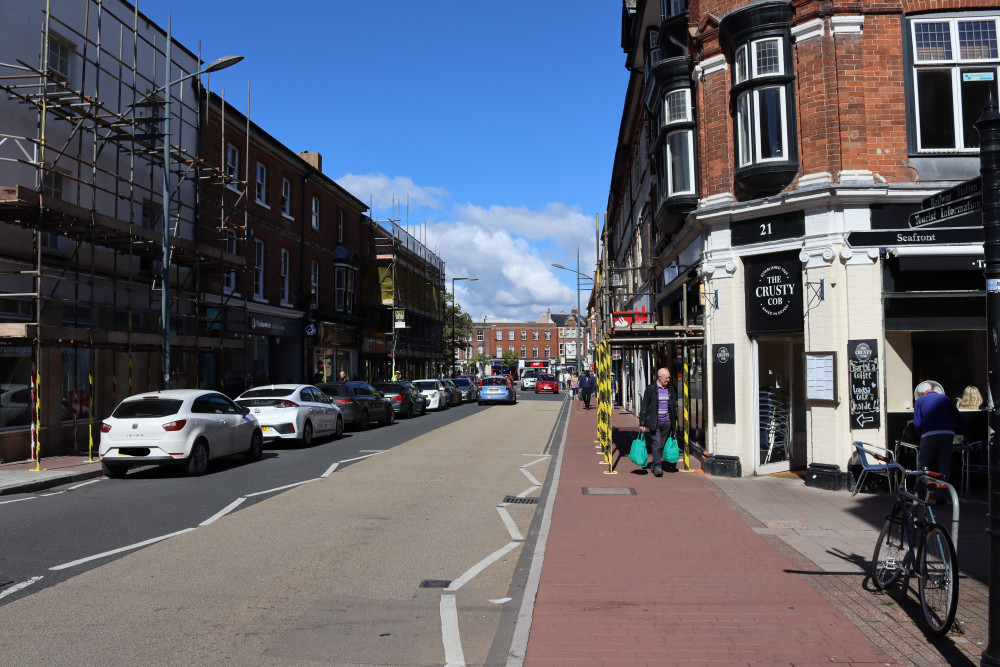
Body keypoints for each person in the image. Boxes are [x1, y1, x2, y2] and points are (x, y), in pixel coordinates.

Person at [913, 380, 966, 488]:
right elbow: (958, 418)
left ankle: (920, 494)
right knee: (944, 464)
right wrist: (965, 433)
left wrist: (921, 435)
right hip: (947, 433)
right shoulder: (946, 399)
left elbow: (917, 423)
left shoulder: (919, 401)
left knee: (924, 464)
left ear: (922, 393)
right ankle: (941, 495)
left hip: (928, 434)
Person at [638, 368, 678, 477]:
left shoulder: (670, 389)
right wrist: (642, 422)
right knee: (656, 443)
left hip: (667, 422)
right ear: (660, 377)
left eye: (669, 378)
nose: (668, 380)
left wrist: (673, 422)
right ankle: (657, 466)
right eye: (666, 378)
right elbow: (645, 406)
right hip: (654, 422)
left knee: (661, 444)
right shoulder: (651, 389)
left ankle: (655, 463)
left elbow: (673, 407)